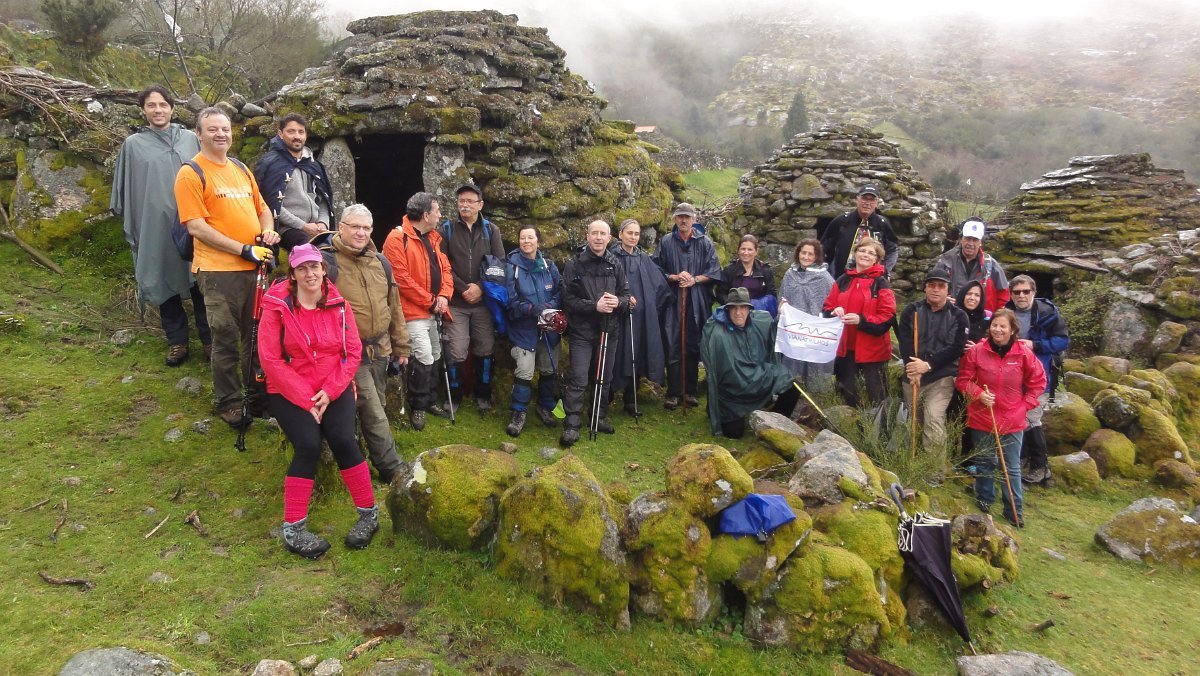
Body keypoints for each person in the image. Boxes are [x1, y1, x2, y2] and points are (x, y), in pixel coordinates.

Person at [256, 243, 378, 558]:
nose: (310, 273)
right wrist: (304, 396)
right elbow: (270, 359)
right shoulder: (277, 305)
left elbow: (352, 353)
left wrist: (331, 391)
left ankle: (368, 515)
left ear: (324, 269)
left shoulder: (338, 304)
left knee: (343, 439)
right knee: (308, 445)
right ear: (293, 274)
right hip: (288, 389)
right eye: (302, 268)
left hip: (332, 387)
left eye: (315, 266)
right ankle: (294, 528)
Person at [174, 107, 280, 429]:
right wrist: (243, 249)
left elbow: (263, 209)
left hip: (254, 269)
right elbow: (196, 227)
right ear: (199, 134)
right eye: (213, 129)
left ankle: (257, 396)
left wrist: (268, 231)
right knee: (225, 336)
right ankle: (230, 402)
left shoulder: (240, 168)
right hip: (218, 271)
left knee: (256, 334)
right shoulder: (190, 173)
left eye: (225, 129)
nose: (221, 134)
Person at [110, 84, 209, 367]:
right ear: (143, 110)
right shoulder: (133, 146)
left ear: (172, 108)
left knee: (200, 281)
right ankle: (177, 342)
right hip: (155, 227)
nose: (158, 110)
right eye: (151, 105)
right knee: (162, 278)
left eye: (163, 105)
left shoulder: (191, 139)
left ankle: (209, 340)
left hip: (193, 222)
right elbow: (126, 190)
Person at [317, 204, 409, 484]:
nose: (360, 232)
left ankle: (356, 459)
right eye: (354, 226)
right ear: (341, 227)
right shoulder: (325, 263)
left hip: (380, 349)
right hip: (346, 353)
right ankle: (392, 468)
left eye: (366, 228)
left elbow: (393, 304)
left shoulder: (379, 261)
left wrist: (401, 345)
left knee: (375, 403)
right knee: (374, 410)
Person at [956, 309, 1046, 527]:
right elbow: (963, 381)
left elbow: (1038, 382)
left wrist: (1024, 406)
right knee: (985, 462)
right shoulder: (977, 351)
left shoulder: (1023, 354)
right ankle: (984, 500)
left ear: (1013, 329)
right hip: (982, 416)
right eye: (995, 325)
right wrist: (978, 394)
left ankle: (1014, 509)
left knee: (1011, 467)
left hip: (1013, 418)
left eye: (1003, 326)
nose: (998, 329)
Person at [382, 192, 454, 431]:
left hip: (434, 310)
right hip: (412, 312)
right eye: (437, 211)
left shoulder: (433, 238)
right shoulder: (397, 238)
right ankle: (418, 406)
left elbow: (445, 270)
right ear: (425, 215)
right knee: (422, 354)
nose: (440, 215)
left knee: (434, 353)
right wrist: (431, 301)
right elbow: (400, 279)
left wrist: (443, 296)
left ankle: (430, 400)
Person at [560, 220, 631, 447]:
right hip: (582, 331)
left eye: (603, 234)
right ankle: (572, 424)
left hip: (609, 329)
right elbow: (568, 300)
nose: (599, 238)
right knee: (579, 377)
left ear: (610, 238)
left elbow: (627, 296)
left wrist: (618, 301)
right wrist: (595, 306)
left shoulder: (615, 264)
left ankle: (598, 417)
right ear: (587, 236)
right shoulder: (574, 264)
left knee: (604, 378)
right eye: (594, 233)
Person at [438, 184, 505, 413]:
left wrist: (479, 287)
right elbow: (442, 265)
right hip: (455, 302)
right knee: (456, 350)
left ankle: (483, 395)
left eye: (469, 200)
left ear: (480, 204)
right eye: (461, 201)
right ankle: (454, 396)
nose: (464, 205)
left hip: (483, 303)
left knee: (485, 348)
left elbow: (500, 263)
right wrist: (464, 288)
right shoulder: (446, 229)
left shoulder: (491, 230)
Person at [700, 288, 798, 438]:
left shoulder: (759, 321)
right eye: (734, 308)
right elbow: (729, 374)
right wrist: (762, 376)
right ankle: (717, 409)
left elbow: (774, 331)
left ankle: (773, 422)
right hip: (732, 393)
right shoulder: (718, 334)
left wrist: (780, 314)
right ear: (727, 309)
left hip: (755, 378)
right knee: (734, 433)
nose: (738, 313)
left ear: (749, 309)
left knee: (791, 387)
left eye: (743, 307)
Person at [653, 202, 721, 410]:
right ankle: (673, 392)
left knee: (692, 344)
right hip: (673, 301)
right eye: (680, 217)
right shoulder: (666, 241)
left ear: (694, 220)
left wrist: (695, 279)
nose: (683, 220)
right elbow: (655, 268)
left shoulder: (704, 243)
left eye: (687, 217)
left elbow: (715, 270)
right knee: (673, 344)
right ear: (675, 219)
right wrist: (673, 276)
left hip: (697, 300)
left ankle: (690, 391)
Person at [1005, 275, 1069, 485]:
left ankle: (1041, 467)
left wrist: (1035, 345)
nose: (1021, 296)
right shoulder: (1006, 312)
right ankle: (1021, 461)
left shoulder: (1047, 313)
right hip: (1012, 376)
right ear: (1011, 294)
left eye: (1026, 291)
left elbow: (1062, 340)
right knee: (1017, 420)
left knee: (1032, 420)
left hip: (1038, 376)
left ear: (1033, 292)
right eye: (1017, 292)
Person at [896, 269, 969, 451]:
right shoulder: (911, 311)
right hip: (913, 375)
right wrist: (913, 369)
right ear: (925, 288)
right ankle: (913, 463)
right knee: (914, 421)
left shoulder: (959, 316)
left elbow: (955, 349)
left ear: (948, 290)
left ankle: (933, 472)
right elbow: (904, 343)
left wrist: (927, 366)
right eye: (931, 285)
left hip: (941, 377)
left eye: (941, 286)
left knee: (933, 416)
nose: (936, 289)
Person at [822, 238, 896, 407]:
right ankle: (849, 429)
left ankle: (880, 431)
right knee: (847, 394)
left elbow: (887, 317)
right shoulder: (842, 280)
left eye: (871, 253)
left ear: (877, 259)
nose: (866, 255)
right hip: (845, 348)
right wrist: (833, 311)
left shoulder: (881, 283)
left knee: (877, 397)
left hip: (873, 350)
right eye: (862, 251)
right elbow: (827, 307)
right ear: (855, 254)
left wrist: (861, 321)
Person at [504, 225, 562, 436]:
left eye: (530, 237)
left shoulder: (549, 266)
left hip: (548, 327)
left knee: (548, 368)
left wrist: (548, 308)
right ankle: (519, 412)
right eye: (522, 238)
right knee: (525, 370)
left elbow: (559, 291)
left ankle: (545, 406)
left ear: (538, 241)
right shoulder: (511, 267)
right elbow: (510, 300)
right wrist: (530, 309)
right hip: (524, 328)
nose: (526, 241)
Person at [608, 218, 670, 415]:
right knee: (615, 353)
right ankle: (605, 397)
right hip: (617, 316)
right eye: (629, 233)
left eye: (636, 234)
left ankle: (630, 399)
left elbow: (659, 285)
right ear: (620, 235)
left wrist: (648, 304)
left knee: (636, 353)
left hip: (640, 317)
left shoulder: (643, 258)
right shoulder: (611, 257)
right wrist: (621, 300)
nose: (633, 237)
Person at [253, 113, 333, 252]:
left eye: (301, 132)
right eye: (291, 131)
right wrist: (303, 226)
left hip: (316, 226)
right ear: (280, 133)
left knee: (339, 248)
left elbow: (323, 201)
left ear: (306, 135)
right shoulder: (271, 163)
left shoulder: (314, 164)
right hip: (286, 228)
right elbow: (268, 204)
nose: (297, 136)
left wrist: (323, 224)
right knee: (307, 250)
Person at [777, 238, 835, 391]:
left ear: (817, 257)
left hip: (813, 331)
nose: (806, 257)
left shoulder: (824, 278)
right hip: (794, 329)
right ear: (798, 253)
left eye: (811, 254)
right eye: (804, 253)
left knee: (813, 365)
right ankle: (790, 392)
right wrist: (782, 309)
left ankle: (816, 395)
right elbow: (782, 298)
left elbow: (833, 302)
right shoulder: (790, 274)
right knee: (793, 364)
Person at [820, 185, 899, 279]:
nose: (867, 203)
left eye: (872, 200)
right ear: (857, 199)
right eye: (864, 198)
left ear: (876, 203)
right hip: (840, 279)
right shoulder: (841, 222)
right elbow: (823, 248)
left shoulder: (882, 224)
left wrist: (885, 271)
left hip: (872, 282)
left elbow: (892, 250)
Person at [936, 218, 1009, 313]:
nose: (970, 243)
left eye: (975, 240)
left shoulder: (991, 265)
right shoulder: (946, 261)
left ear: (980, 242)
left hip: (981, 322)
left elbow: (1003, 295)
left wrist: (995, 319)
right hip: (951, 318)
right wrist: (942, 300)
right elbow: (932, 288)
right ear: (961, 239)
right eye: (968, 238)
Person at [717, 234, 777, 316]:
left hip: (759, 313)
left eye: (750, 249)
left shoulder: (765, 271)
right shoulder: (729, 271)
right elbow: (721, 293)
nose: (746, 253)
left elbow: (771, 294)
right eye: (743, 249)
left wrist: (758, 305)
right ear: (738, 250)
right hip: (735, 314)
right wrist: (732, 306)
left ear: (756, 252)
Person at [958, 280, 992, 348]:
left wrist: (978, 349)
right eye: (969, 293)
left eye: (977, 295)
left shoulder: (988, 317)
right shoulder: (952, 314)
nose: (972, 298)